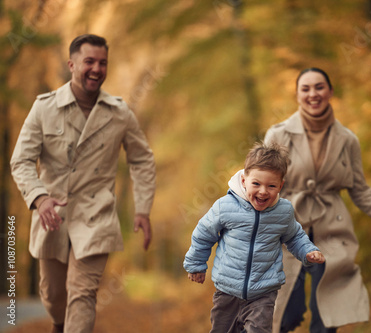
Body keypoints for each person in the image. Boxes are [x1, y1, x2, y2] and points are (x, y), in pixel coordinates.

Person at [10, 34, 156, 333]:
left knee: (83, 293)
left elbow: (141, 159)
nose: (96, 68)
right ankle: (59, 323)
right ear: (72, 64)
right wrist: (39, 199)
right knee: (53, 295)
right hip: (52, 215)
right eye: (89, 61)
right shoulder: (44, 108)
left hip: (96, 216)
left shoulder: (119, 113)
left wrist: (142, 208)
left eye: (103, 63)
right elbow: (21, 161)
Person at [264, 67, 371, 333]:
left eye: (319, 87)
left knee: (327, 318)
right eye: (306, 88)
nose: (313, 94)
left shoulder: (347, 140)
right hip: (287, 232)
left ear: (330, 92)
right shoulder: (278, 135)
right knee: (284, 314)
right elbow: (260, 185)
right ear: (297, 95)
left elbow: (361, 191)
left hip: (331, 233)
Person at [183, 142, 326, 333]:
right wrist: (196, 264)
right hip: (228, 291)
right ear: (244, 180)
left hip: (264, 292)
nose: (263, 191)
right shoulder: (225, 207)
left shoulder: (283, 212)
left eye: (271, 185)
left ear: (281, 186)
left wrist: (309, 251)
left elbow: (295, 237)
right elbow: (203, 234)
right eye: (256, 184)